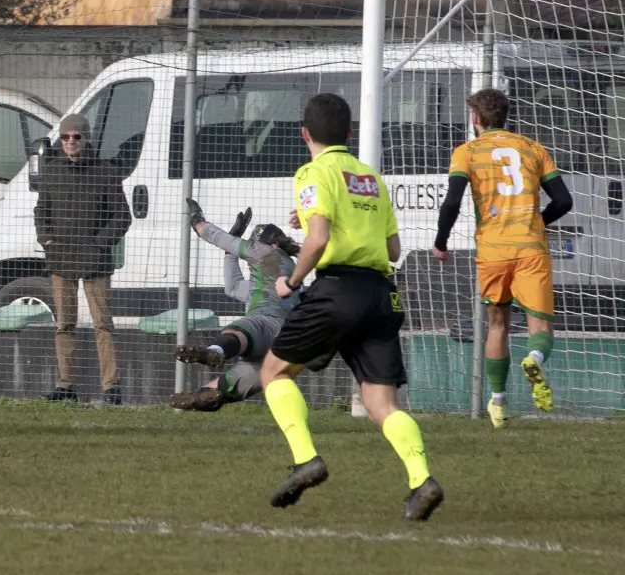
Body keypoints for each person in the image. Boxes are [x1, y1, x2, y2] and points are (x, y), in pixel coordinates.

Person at [260, 93, 443, 521]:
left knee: (274, 371)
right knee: (383, 407)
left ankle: (306, 458)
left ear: (304, 134)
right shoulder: (370, 177)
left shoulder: (312, 172)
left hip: (337, 289)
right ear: (350, 133)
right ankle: (422, 479)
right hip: (380, 293)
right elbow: (393, 250)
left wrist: (291, 280)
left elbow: (319, 239)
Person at [433, 88, 573, 428]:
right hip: (530, 247)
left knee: (498, 325)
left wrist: (441, 241)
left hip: (493, 250)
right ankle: (535, 358)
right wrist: (537, 220)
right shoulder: (533, 149)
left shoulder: (467, 151)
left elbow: (452, 201)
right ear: (505, 117)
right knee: (540, 325)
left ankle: (497, 403)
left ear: (475, 119)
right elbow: (564, 201)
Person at [173, 202, 310, 411]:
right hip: (287, 344)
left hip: (265, 324)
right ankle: (201, 399)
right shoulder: (285, 273)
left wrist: (197, 219)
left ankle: (215, 351)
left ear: (268, 243)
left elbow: (212, 235)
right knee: (224, 387)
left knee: (241, 330)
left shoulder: (264, 252)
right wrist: (231, 254)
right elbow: (234, 286)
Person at [33, 113, 132, 404]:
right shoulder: (52, 172)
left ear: (87, 138)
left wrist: (99, 245)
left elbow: (122, 216)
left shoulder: (106, 172)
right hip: (61, 259)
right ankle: (65, 386)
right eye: (65, 137)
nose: (71, 142)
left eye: (76, 136)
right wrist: (46, 239)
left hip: (95, 261)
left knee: (102, 324)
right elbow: (42, 210)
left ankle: (111, 387)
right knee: (64, 323)